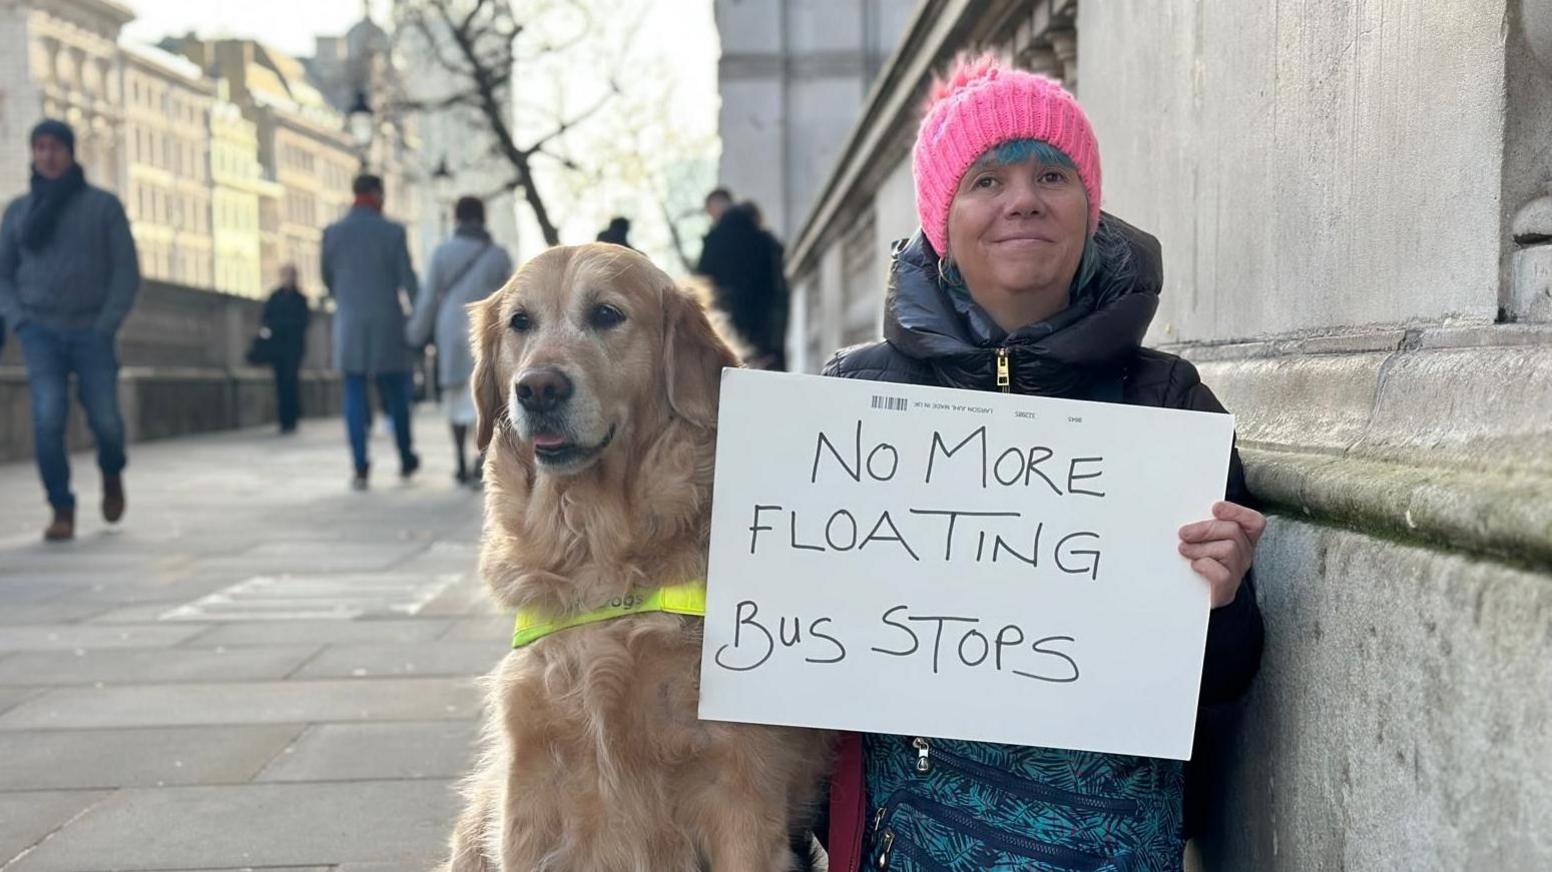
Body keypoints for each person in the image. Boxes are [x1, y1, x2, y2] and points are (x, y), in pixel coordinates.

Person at [820, 56, 1266, 870]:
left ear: (1089, 212)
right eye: (986, 179)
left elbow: (1228, 678)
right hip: (915, 833)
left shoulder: (1168, 401)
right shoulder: (851, 400)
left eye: (1051, 174)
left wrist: (1224, 596)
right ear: (938, 224)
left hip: (1110, 838)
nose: (1022, 198)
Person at [0, 119, 139, 542]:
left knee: (107, 422)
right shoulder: (19, 212)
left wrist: (106, 324)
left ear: (70, 152)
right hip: (40, 330)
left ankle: (111, 472)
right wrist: (19, 318)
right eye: (39, 147)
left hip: (92, 330)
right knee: (47, 417)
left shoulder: (103, 207)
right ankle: (61, 506)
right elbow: (3, 274)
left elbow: (126, 271)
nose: (47, 155)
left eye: (55, 147)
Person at [322, 173, 421, 490]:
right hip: (387, 323)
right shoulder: (392, 232)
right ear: (378, 194)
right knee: (396, 394)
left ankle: (360, 465)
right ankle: (405, 456)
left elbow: (327, 278)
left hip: (348, 322)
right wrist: (420, 318)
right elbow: (408, 281)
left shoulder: (333, 233)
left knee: (353, 393)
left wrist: (348, 300)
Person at [407, 195, 512, 486]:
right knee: (489, 393)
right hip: (489, 332)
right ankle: (483, 456)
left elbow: (428, 299)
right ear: (483, 218)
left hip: (451, 332)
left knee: (455, 397)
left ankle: (458, 460)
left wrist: (415, 334)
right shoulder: (498, 254)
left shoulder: (442, 253)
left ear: (457, 219)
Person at [697, 199, 786, 368]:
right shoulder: (766, 242)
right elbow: (778, 294)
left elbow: (702, 288)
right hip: (762, 335)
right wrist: (773, 345)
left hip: (724, 332)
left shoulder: (713, 241)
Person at [261, 264, 311, 434]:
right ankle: (284, 419)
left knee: (291, 382)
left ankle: (292, 418)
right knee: (280, 383)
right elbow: (266, 319)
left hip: (293, 348)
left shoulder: (301, 299)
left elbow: (304, 323)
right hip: (278, 348)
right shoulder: (274, 297)